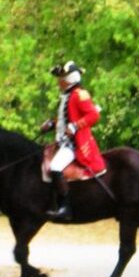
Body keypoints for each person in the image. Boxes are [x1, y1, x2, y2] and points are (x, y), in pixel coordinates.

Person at [40, 61, 106, 220]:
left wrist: (76, 126)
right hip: (61, 140)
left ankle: (65, 207)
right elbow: (65, 119)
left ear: (69, 79)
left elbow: (93, 115)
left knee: (56, 167)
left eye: (61, 78)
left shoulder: (79, 94)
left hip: (74, 143)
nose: (58, 81)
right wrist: (52, 124)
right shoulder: (67, 95)